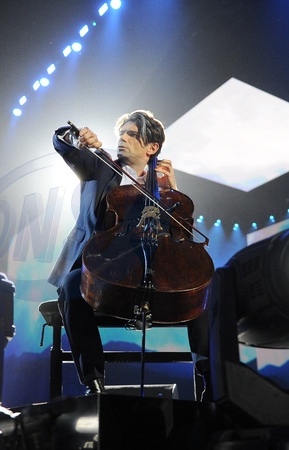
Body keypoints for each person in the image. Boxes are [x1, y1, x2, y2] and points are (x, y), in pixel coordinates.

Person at [48, 110, 211, 395]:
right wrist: (73, 136)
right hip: (104, 269)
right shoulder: (100, 166)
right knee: (72, 284)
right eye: (121, 133)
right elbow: (65, 146)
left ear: (152, 148)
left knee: (201, 292)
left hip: (153, 273)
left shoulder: (163, 184)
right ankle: (95, 383)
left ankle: (209, 379)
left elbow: (181, 236)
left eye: (132, 134)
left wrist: (174, 193)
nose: (122, 138)